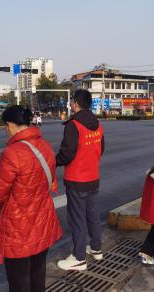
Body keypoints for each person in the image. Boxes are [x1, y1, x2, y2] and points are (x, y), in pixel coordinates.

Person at [0, 105, 62, 292]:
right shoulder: (44, 146)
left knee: (19, 281)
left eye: (5, 126)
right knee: (37, 274)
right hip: (42, 220)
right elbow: (51, 181)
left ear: (10, 125)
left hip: (18, 227)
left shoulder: (12, 153)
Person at [56, 89, 105, 271]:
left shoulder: (73, 125)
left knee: (77, 219)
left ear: (75, 103)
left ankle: (79, 258)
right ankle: (96, 248)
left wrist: (53, 162)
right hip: (93, 178)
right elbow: (101, 148)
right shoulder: (97, 124)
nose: (70, 103)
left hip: (77, 179)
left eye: (71, 101)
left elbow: (67, 154)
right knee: (92, 215)